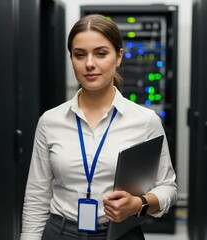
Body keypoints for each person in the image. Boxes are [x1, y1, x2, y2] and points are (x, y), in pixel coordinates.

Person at [20, 14, 177, 240]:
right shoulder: (50, 121)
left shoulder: (145, 120)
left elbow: (168, 188)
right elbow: (37, 196)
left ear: (119, 57)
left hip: (120, 234)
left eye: (101, 53)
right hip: (61, 232)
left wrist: (137, 204)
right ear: (72, 59)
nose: (90, 63)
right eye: (79, 55)